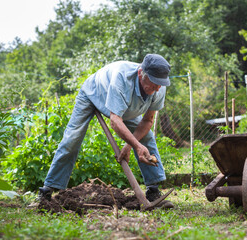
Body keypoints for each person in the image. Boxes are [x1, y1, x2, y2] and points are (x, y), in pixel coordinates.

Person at [38, 53, 173, 208]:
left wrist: (129, 145)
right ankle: (47, 190)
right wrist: (136, 145)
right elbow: (115, 121)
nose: (157, 87)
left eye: (161, 83)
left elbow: (148, 121)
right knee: (72, 139)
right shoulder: (122, 78)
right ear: (141, 73)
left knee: (146, 138)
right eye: (154, 82)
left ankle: (153, 191)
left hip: (124, 107)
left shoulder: (159, 89)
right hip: (93, 93)